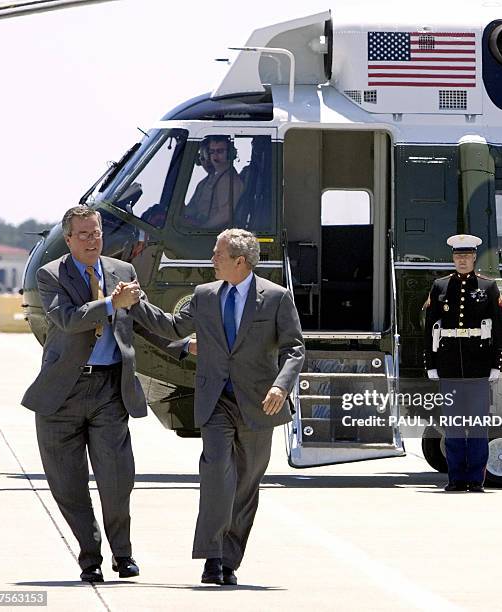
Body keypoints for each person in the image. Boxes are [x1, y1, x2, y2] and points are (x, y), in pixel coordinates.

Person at [117, 228, 304, 585]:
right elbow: (173, 327)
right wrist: (136, 304)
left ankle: (231, 561)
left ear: (240, 261)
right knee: (216, 472)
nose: (211, 260)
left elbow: (294, 348)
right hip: (215, 399)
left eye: (218, 254)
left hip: (258, 403)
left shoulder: (276, 297)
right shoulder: (204, 295)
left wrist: (281, 386)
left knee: (247, 485)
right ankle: (213, 557)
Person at [21, 206, 147, 583]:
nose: (93, 240)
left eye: (97, 233)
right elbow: (68, 319)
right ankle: (89, 555)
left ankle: (122, 554)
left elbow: (142, 318)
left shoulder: (122, 272)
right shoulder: (50, 275)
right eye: (85, 235)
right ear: (69, 238)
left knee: (117, 478)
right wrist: (111, 303)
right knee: (68, 483)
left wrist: (181, 342)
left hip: (109, 387)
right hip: (63, 393)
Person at [423, 234, 502, 493]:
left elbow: (499, 329)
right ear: (453, 258)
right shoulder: (440, 286)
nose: (462, 260)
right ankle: (456, 478)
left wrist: (496, 364)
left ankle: (475, 479)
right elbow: (430, 327)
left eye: (466, 256)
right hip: (449, 368)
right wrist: (431, 363)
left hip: (478, 367)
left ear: (474, 258)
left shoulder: (488, 287)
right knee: (454, 425)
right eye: (458, 256)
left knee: (478, 426)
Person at [184, 136, 243, 229]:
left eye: (220, 151)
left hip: (214, 235)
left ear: (230, 154)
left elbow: (225, 215)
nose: (215, 156)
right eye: (212, 152)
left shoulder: (229, 180)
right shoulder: (212, 179)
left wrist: (202, 229)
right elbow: (192, 209)